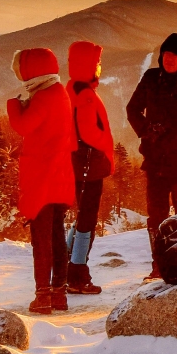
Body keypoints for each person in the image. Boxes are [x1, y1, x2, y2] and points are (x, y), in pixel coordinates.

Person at [127, 31, 177, 274]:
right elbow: (133, 109)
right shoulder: (151, 78)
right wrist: (146, 131)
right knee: (156, 216)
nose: (169, 59)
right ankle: (159, 264)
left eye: (175, 55)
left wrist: (165, 140)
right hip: (155, 162)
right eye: (166, 54)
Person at [6, 48, 76, 314]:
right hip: (60, 173)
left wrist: (13, 105)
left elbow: (23, 126)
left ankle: (42, 296)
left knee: (42, 237)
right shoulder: (60, 93)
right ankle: (59, 293)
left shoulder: (44, 97)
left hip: (43, 174)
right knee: (57, 234)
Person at [65, 39, 115, 295]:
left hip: (76, 162)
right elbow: (88, 132)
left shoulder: (71, 88)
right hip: (89, 164)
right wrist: (107, 142)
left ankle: (66, 265)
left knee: (81, 215)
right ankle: (77, 274)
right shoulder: (85, 94)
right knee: (87, 220)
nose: (99, 67)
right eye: (96, 62)